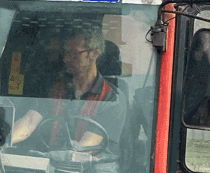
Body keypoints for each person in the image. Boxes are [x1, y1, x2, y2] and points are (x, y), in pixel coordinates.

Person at [11, 23, 126, 154]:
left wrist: (57, 157)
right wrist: (5, 142)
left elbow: (89, 145)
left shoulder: (111, 98)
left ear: (94, 54)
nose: (65, 59)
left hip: (93, 168)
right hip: (53, 160)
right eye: (65, 53)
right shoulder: (54, 87)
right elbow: (30, 120)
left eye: (74, 54)